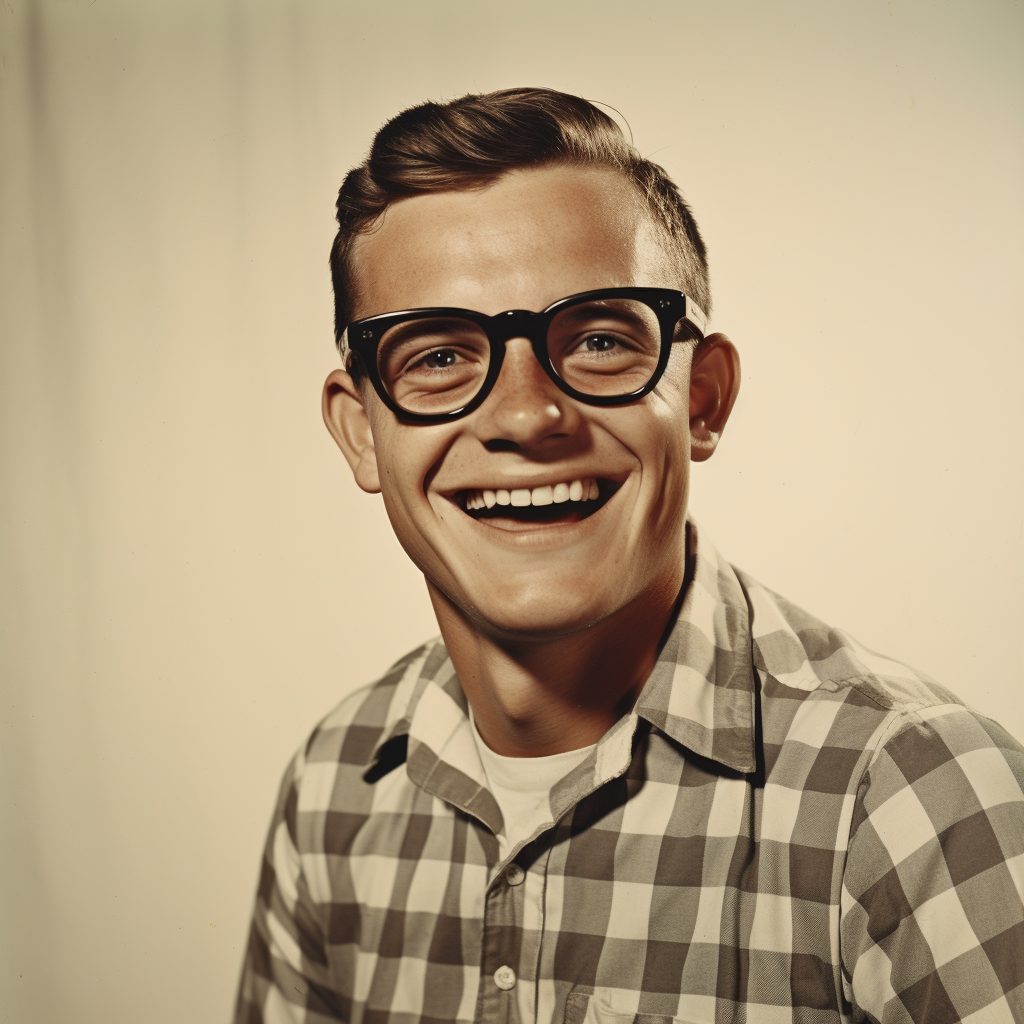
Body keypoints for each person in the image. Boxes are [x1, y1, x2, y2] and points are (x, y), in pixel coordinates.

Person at [234, 88, 1023, 1024]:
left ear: (703, 398)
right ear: (360, 432)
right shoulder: (332, 787)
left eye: (601, 340)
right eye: (438, 355)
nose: (526, 416)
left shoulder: (912, 798)